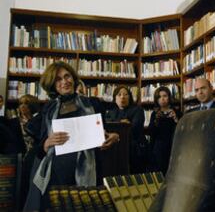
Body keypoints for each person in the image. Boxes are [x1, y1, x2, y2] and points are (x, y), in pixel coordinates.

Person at [24, 61, 120, 211]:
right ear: (52, 85)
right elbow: (39, 149)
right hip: (56, 174)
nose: (65, 81)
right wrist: (46, 143)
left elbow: (105, 133)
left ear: (74, 78)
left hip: (88, 172)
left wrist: (114, 137)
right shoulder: (49, 109)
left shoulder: (92, 103)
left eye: (67, 76)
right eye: (58, 79)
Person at [105, 85, 147, 173]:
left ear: (130, 97)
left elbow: (135, 127)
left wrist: (120, 125)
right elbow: (107, 127)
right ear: (115, 98)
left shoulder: (137, 110)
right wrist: (122, 122)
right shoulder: (111, 112)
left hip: (134, 149)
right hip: (115, 150)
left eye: (125, 94)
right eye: (119, 95)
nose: (122, 97)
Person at [147, 86, 181, 175]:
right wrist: (156, 121)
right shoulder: (154, 114)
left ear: (169, 97)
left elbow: (182, 131)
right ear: (156, 99)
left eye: (165, 96)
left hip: (174, 146)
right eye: (159, 97)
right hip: (159, 148)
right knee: (159, 172)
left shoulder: (177, 112)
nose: (162, 99)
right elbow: (151, 132)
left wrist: (176, 119)